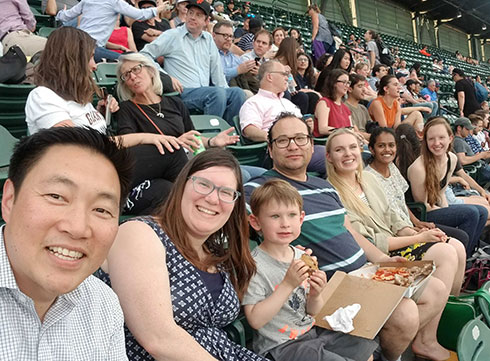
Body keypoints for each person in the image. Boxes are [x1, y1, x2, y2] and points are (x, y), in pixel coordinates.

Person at [244, 112, 451, 361]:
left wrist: (384, 260)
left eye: (300, 138)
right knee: (404, 314)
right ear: (269, 148)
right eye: (283, 140)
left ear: (311, 145)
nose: (293, 146)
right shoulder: (259, 190)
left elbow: (350, 231)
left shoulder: (324, 187)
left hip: (364, 271)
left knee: (436, 290)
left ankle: (398, 345)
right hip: (331, 285)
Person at [96, 148, 266, 361]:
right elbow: (158, 339)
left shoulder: (216, 253)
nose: (213, 199)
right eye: (203, 184)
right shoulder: (140, 234)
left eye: (226, 192)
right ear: (182, 185)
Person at [0, 126, 132, 360]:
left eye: (101, 209)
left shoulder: (103, 304)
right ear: (9, 201)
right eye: (56, 196)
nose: (78, 228)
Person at [25, 27, 187, 216]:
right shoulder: (42, 96)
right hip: (81, 178)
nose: (94, 65)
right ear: (72, 59)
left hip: (103, 174)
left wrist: (100, 113)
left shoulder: (81, 102)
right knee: (170, 151)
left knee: (164, 190)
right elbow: (79, 145)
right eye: (90, 57)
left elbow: (93, 135)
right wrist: (145, 137)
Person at [243, 179, 377, 361]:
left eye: (291, 215)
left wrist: (315, 293)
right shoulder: (254, 266)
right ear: (256, 222)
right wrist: (288, 284)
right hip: (281, 346)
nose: (285, 223)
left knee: (364, 350)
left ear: (301, 219)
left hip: (312, 332)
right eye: (275, 216)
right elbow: (255, 320)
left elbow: (313, 311)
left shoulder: (300, 256)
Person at [140, 0, 246, 126]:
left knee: (237, 93)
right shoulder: (173, 35)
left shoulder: (208, 40)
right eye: (190, 13)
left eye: (198, 15)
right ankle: (209, 136)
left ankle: (227, 133)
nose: (192, 17)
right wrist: (165, 77)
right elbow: (143, 55)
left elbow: (217, 73)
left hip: (204, 92)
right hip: (181, 94)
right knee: (216, 93)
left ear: (206, 21)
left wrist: (227, 93)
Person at [367, 126, 470, 247]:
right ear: (371, 149)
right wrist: (414, 233)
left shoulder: (392, 168)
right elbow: (385, 217)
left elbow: (400, 201)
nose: (387, 150)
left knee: (461, 237)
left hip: (410, 224)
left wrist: (416, 222)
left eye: (391, 145)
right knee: (457, 240)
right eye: (381, 146)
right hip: (396, 234)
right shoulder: (368, 177)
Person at [407, 117, 488, 255]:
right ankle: (462, 257)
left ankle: (468, 254)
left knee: (483, 212)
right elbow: (423, 206)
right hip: (423, 215)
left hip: (436, 208)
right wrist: (450, 213)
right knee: (471, 213)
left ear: (450, 138)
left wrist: (449, 211)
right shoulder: (418, 168)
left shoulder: (451, 158)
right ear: (425, 141)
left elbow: (441, 193)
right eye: (431, 139)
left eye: (441, 138)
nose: (436, 143)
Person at [55, 0, 165, 62]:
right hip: (90, 49)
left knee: (132, 58)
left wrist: (61, 13)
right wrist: (158, 9)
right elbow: (140, 15)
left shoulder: (86, 0)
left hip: (77, 46)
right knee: (135, 61)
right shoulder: (114, 2)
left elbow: (64, 16)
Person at [213, 21, 256, 86]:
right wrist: (237, 70)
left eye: (231, 36)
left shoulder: (234, 57)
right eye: (225, 35)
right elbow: (216, 77)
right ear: (214, 35)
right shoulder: (210, 54)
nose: (229, 39)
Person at [313, 69, 352, 137]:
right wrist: (344, 132)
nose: (347, 85)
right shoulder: (324, 103)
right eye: (344, 82)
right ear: (333, 83)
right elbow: (322, 129)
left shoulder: (346, 108)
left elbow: (351, 129)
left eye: (348, 82)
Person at [233, 29, 272, 95]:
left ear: (269, 47)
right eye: (258, 42)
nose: (260, 45)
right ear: (253, 43)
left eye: (264, 43)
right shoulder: (246, 58)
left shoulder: (268, 63)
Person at [345, 73, 371, 141]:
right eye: (360, 86)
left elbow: (371, 127)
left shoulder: (363, 108)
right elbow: (354, 132)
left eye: (364, 86)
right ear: (350, 89)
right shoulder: (345, 107)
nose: (364, 90)